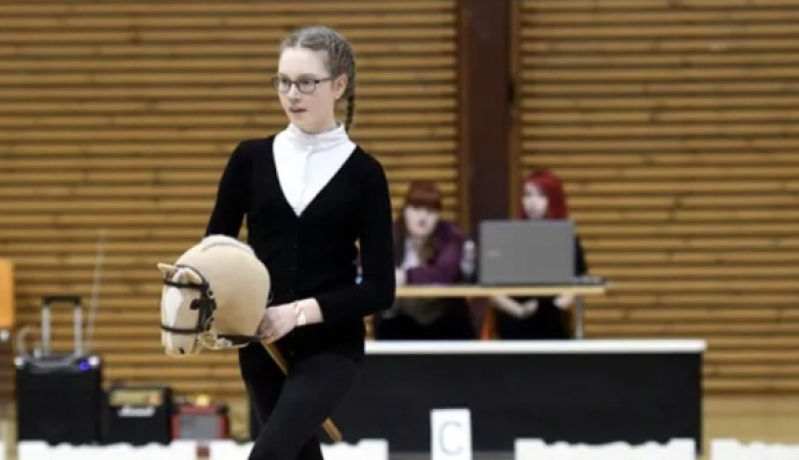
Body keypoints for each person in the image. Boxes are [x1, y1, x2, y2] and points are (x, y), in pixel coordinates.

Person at [204, 25, 396, 460]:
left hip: (331, 348)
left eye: (306, 82)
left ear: (338, 86)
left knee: (269, 455)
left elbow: (380, 290)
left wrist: (296, 313)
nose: (292, 94)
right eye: (283, 81)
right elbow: (215, 250)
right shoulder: (249, 159)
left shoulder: (365, 174)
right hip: (261, 348)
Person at [488, 169, 589, 340]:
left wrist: (558, 305)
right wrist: (518, 310)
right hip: (513, 317)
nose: (532, 202)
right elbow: (492, 288)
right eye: (527, 195)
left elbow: (578, 280)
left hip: (552, 320)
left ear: (554, 200)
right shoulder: (508, 237)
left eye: (540, 196)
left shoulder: (567, 238)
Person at [373, 180, 475, 340]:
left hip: (443, 322)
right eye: (416, 209)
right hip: (398, 321)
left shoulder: (451, 235)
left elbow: (443, 274)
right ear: (405, 211)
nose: (422, 217)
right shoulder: (388, 234)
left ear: (438, 216)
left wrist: (405, 277)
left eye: (430, 211)